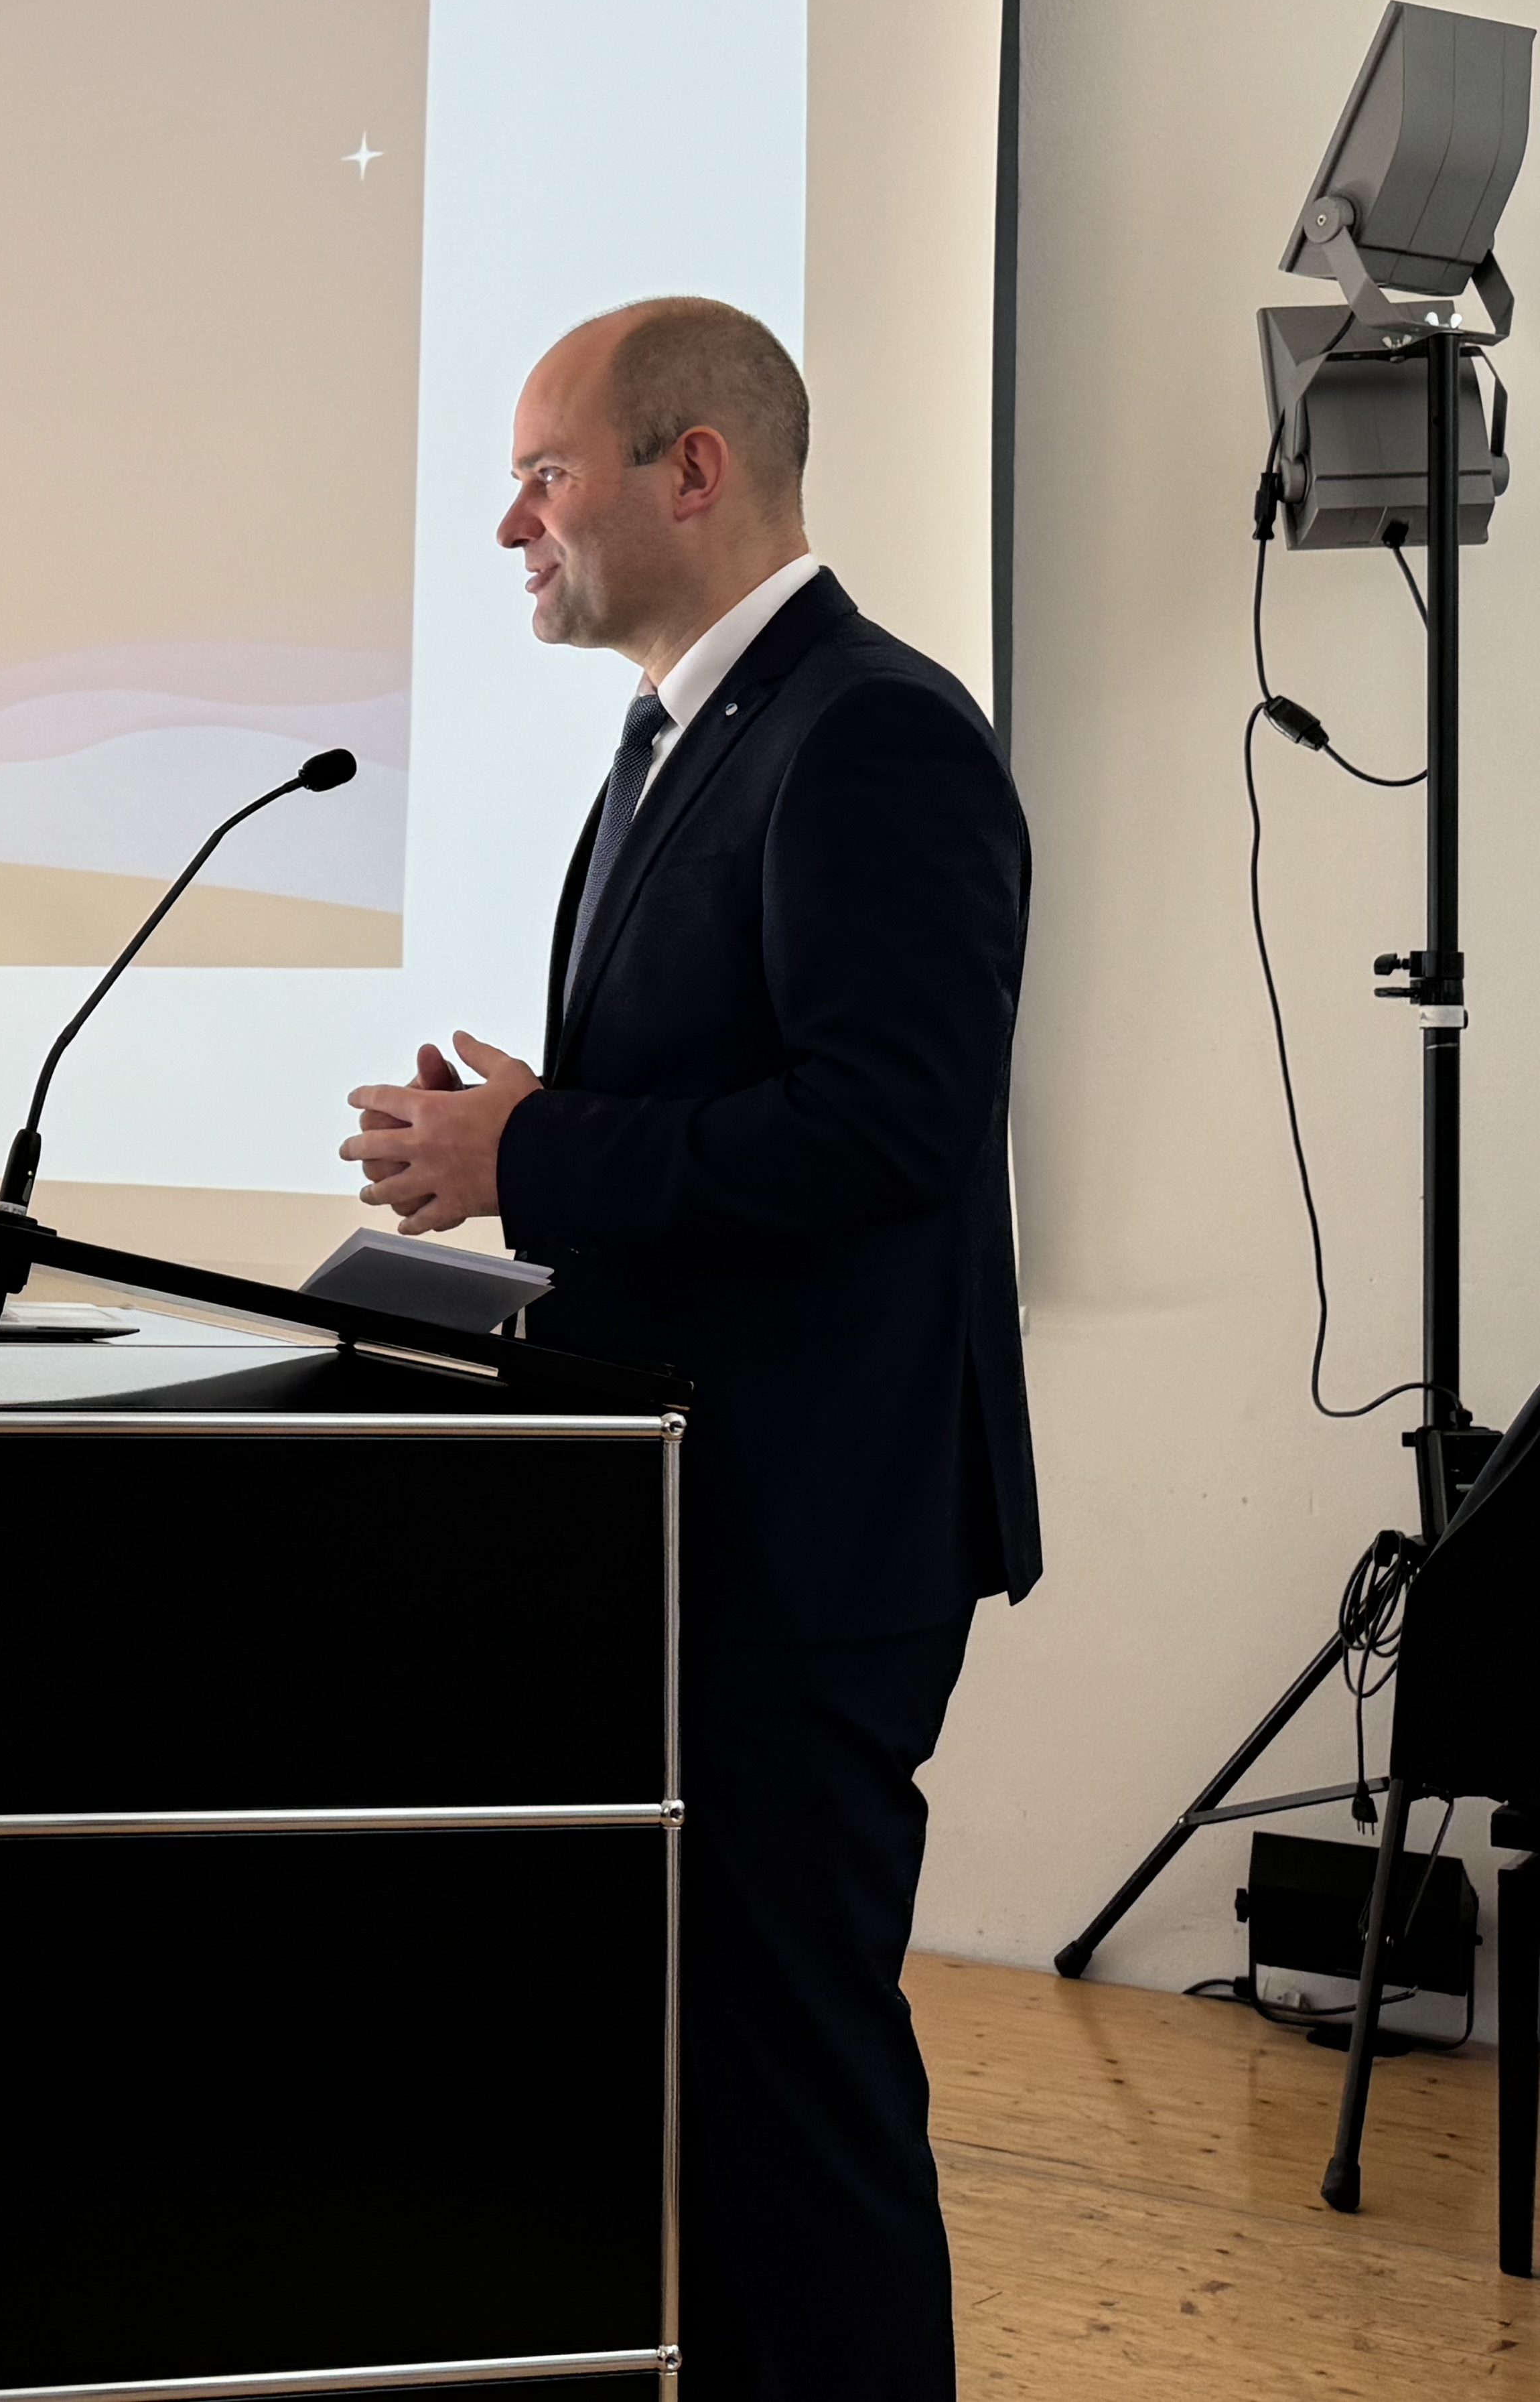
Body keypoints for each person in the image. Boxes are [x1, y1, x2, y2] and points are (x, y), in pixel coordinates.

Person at [338, 297, 1039, 2400]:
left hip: (813, 1536)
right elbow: (746, 1095)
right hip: (694, 1514)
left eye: (543, 476)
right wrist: (528, 1135)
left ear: (693, 469)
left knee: (795, 2081)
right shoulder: (679, 736)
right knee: (717, 2080)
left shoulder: (873, 732)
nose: (510, 526)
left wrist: (540, 1149)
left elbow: (891, 1126)